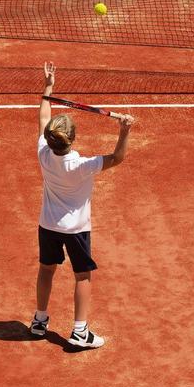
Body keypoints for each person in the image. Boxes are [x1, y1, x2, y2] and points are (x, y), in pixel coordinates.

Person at [29, 62, 134, 348]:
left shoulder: (43, 153)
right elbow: (116, 158)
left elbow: (42, 118)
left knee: (46, 269)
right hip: (76, 229)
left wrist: (48, 88)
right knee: (82, 276)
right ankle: (79, 331)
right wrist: (124, 131)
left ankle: (39, 320)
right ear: (72, 139)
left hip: (48, 225)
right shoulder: (82, 165)